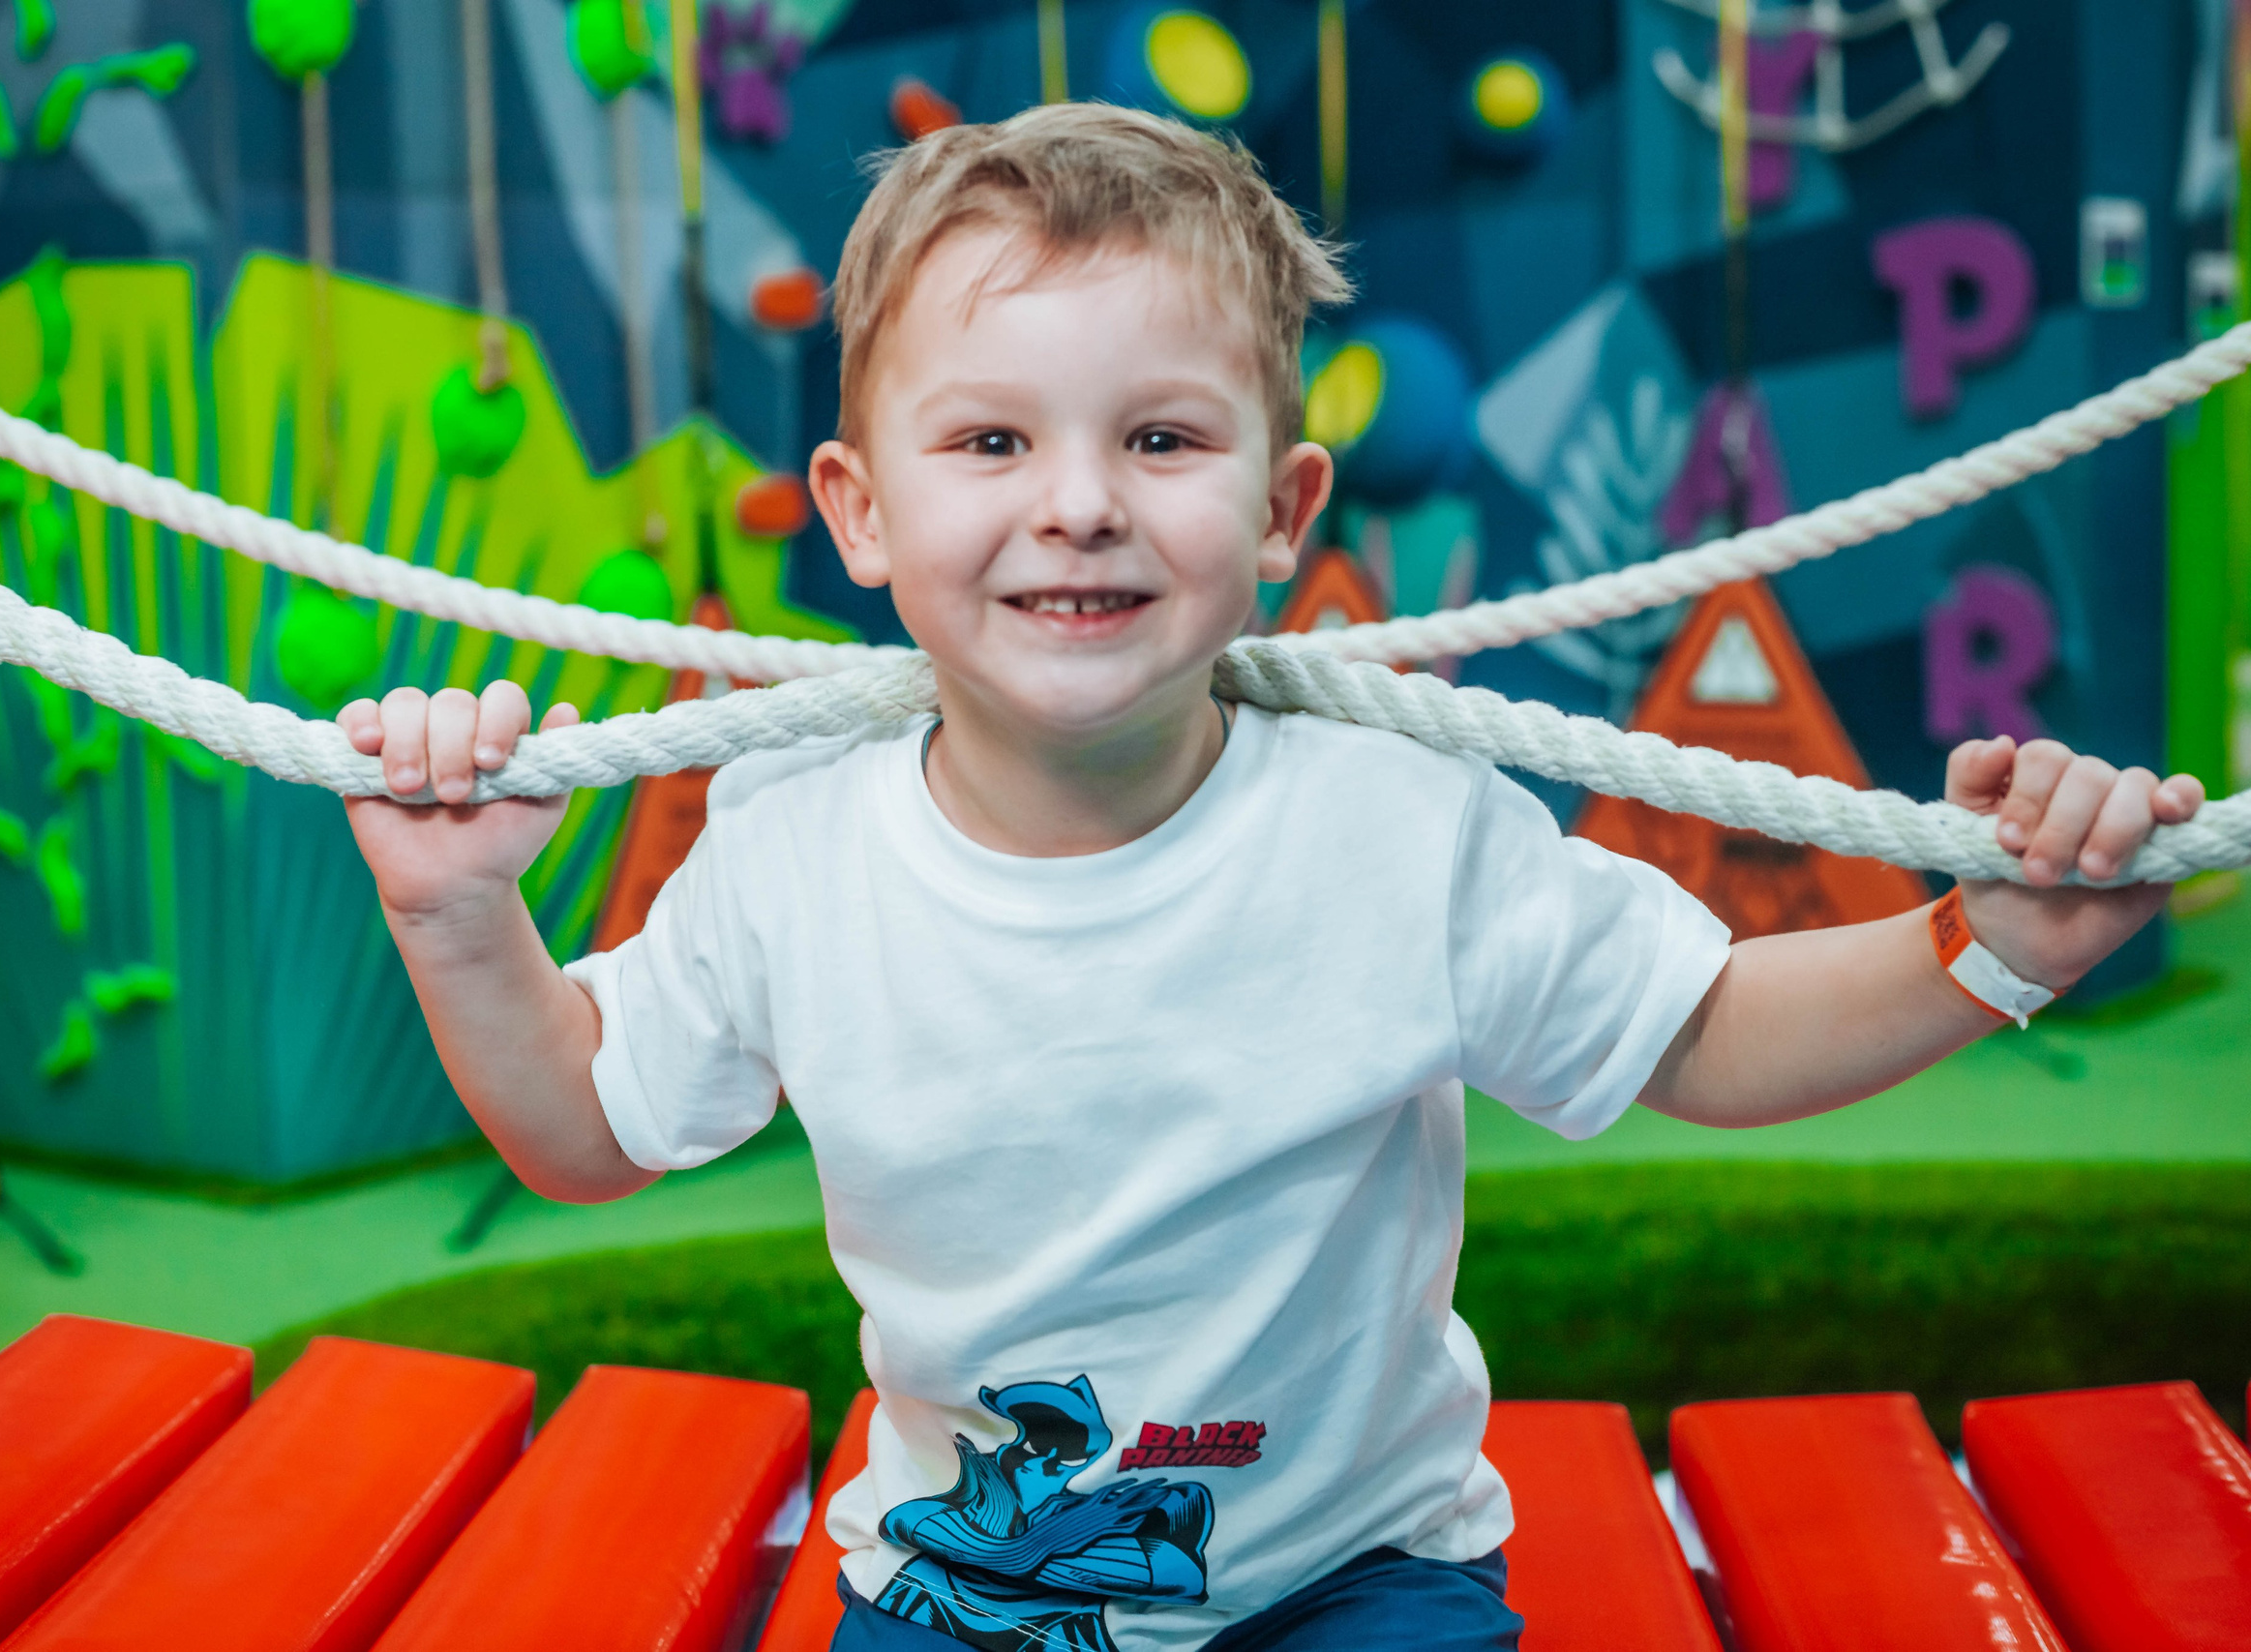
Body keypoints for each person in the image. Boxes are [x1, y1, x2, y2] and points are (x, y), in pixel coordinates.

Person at [336, 104, 2205, 1652]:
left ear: (1283, 514)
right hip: (972, 1578)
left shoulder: (1393, 818)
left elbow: (1705, 1028)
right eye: (992, 441)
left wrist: (1994, 948)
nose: (1077, 501)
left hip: (1357, 1580)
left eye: (1160, 439)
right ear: (860, 512)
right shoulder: (795, 840)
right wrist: (456, 915)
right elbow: (585, 1129)